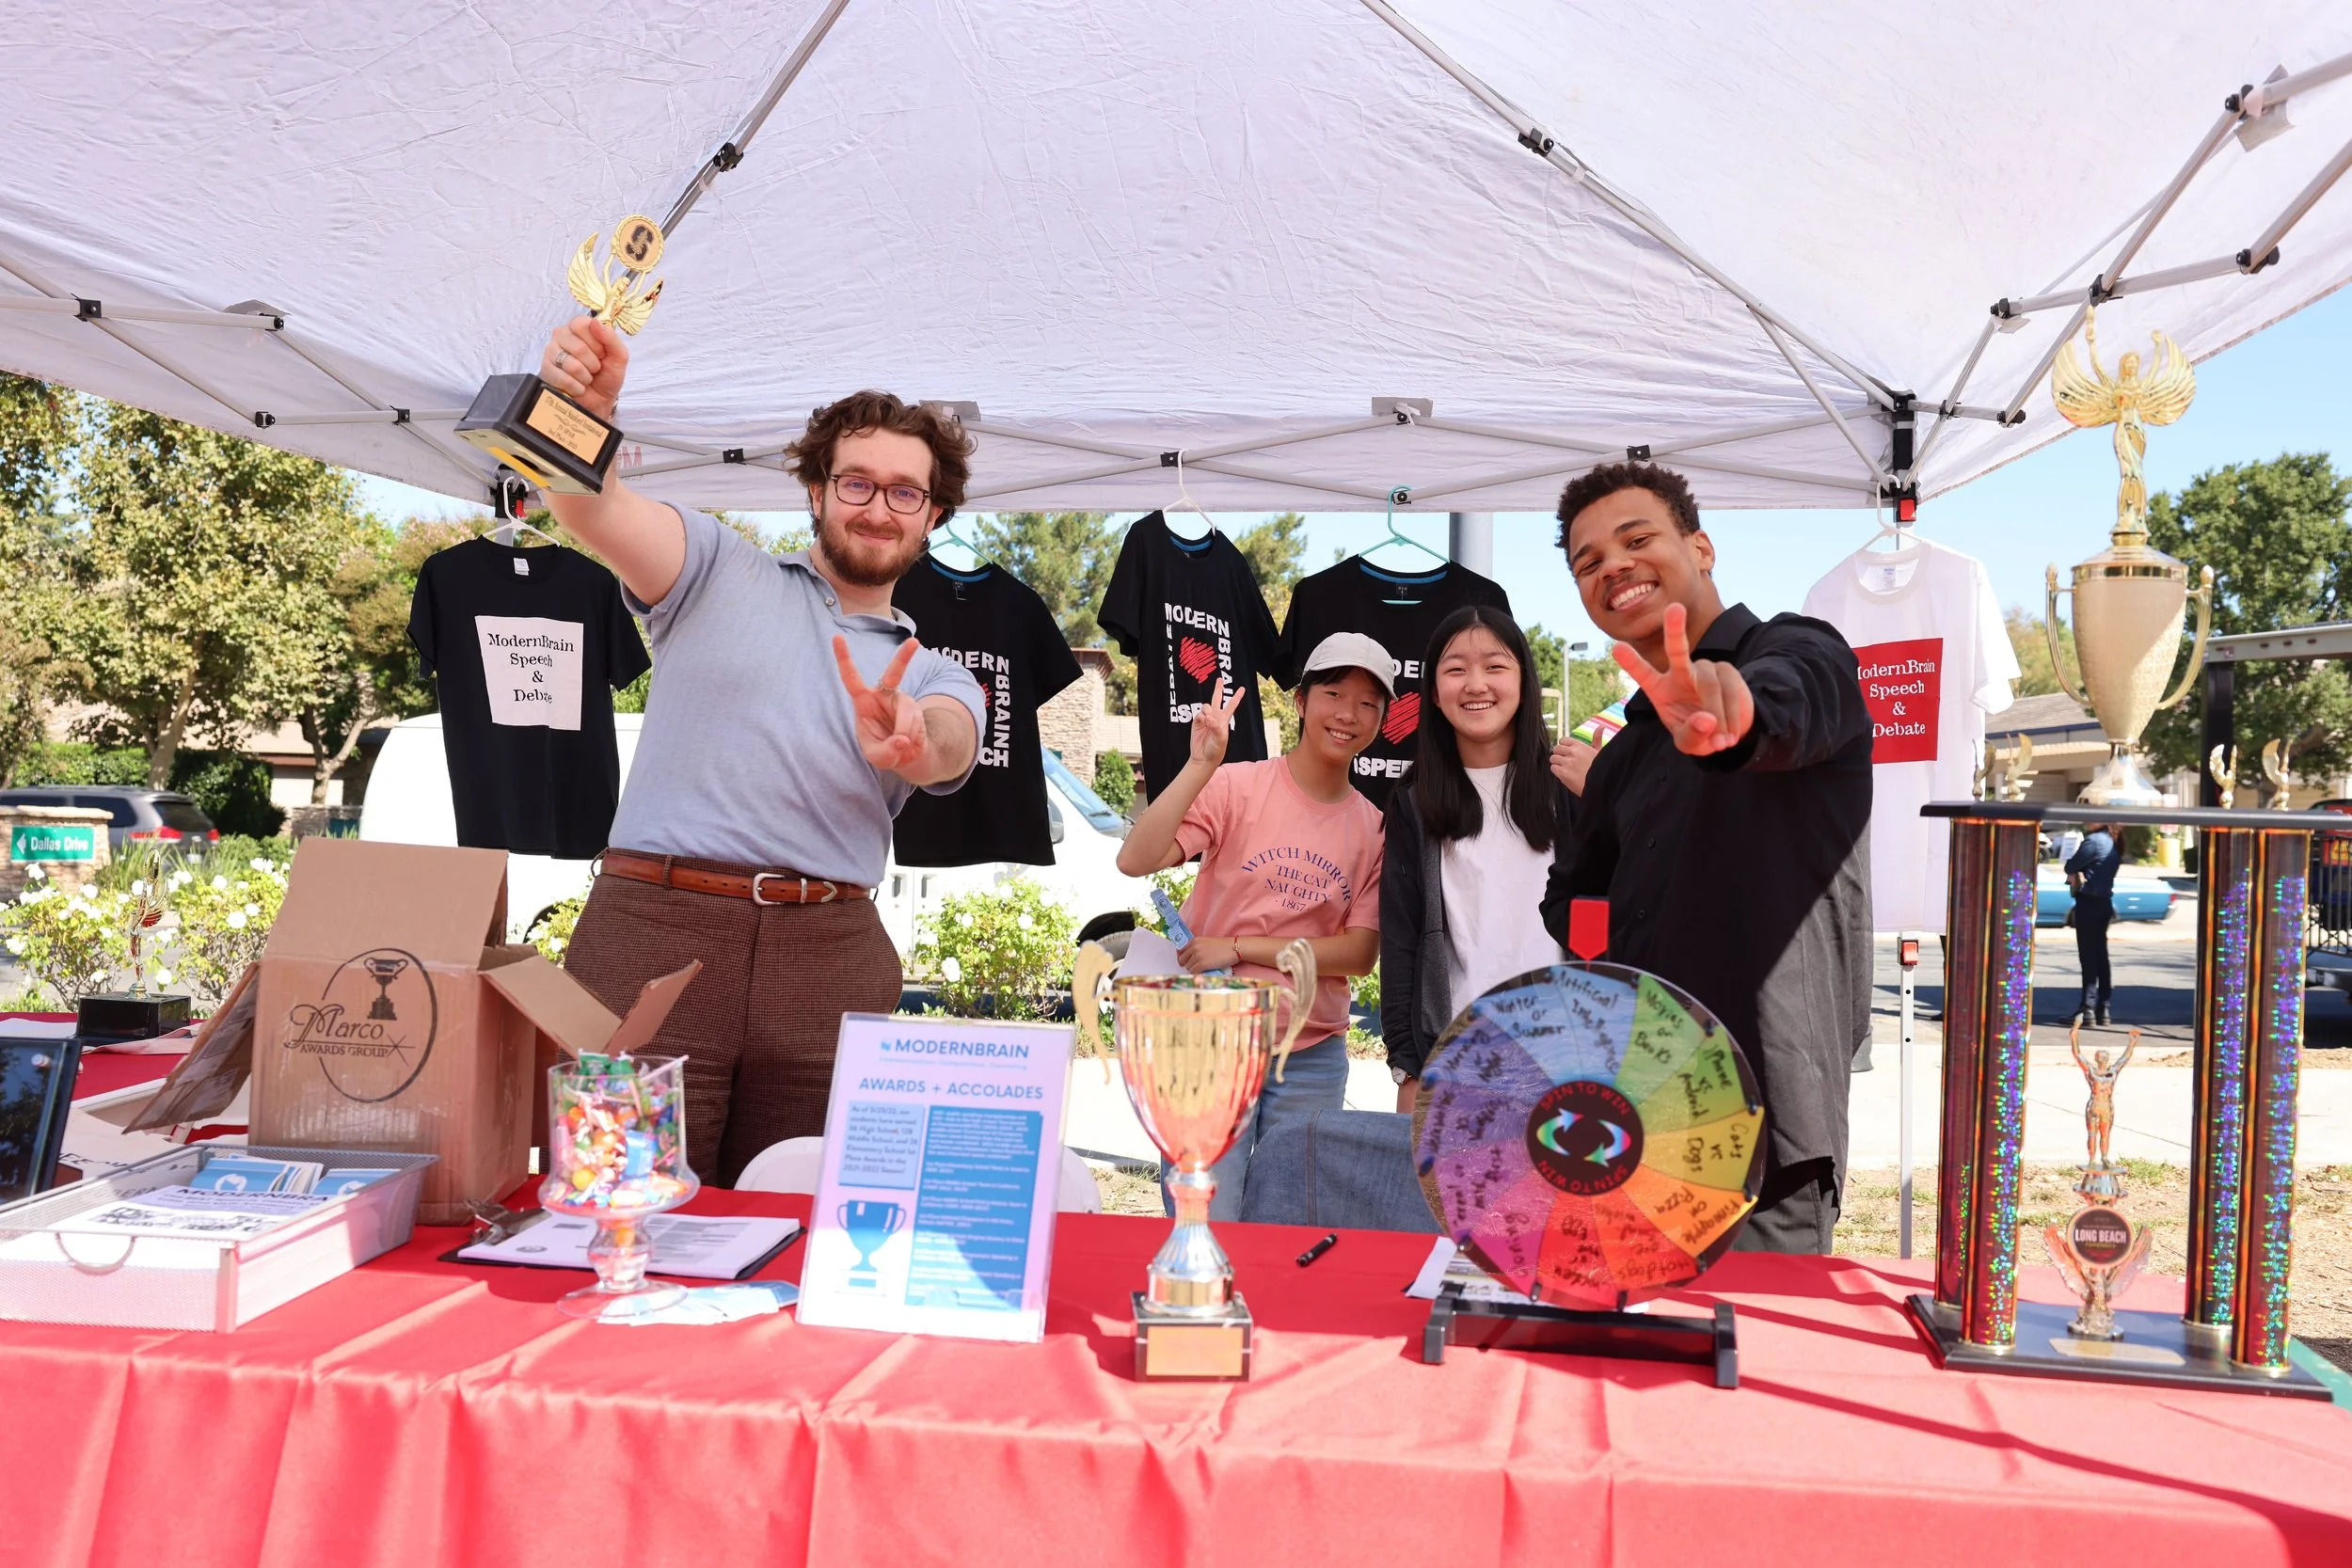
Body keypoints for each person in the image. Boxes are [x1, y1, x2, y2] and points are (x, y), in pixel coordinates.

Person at [528, 314, 986, 1186]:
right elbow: (589, 503)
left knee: (808, 1238)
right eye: (856, 482)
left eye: (905, 492)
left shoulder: (936, 671)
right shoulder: (714, 565)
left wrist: (917, 737)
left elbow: (953, 744)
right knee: (607, 1206)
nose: (878, 507)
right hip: (648, 938)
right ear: (815, 490)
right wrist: (577, 410)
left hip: (829, 959)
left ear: (933, 515)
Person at [1539, 461, 1873, 1255]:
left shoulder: (1796, 648)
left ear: (1701, 546)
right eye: (1587, 562)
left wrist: (1738, 719)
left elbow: (1789, 701)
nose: (1612, 565)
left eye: (1636, 538)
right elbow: (1572, 899)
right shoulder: (1622, 757)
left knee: (1751, 1366)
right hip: (1639, 1123)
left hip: (1765, 1128)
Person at [1116, 634, 1391, 1217]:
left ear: (1383, 718)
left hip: (1309, 1056)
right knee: (1206, 1220)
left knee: (1290, 1230)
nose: (1348, 714)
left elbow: (1358, 953)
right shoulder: (1238, 787)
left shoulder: (1373, 828)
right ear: (1299, 701)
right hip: (1210, 1040)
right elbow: (1135, 859)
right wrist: (1200, 765)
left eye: (1369, 702)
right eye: (1334, 693)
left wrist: (1240, 946)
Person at [1381, 606, 1578, 1110]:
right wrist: (1408, 1064)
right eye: (1455, 669)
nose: (1475, 684)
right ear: (1433, 691)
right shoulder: (1414, 801)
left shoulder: (1570, 786)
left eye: (1495, 666)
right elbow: (1401, 938)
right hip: (1458, 1066)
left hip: (1569, 1062)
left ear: (1524, 680)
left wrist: (1604, 796)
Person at [2066, 820, 2122, 1025]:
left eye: (2091, 817)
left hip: (2088, 902)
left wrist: (2071, 868)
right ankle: (2103, 1008)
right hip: (2104, 902)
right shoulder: (2112, 842)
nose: (2086, 821)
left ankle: (2087, 1009)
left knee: (2088, 957)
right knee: (2101, 956)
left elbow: (2071, 865)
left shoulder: (2094, 841)